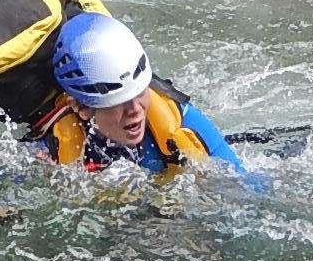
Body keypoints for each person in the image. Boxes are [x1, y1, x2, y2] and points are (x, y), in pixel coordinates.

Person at [35, 11, 261, 181]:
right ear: (80, 107)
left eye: (139, 92)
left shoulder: (184, 123)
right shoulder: (50, 144)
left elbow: (248, 189)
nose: (135, 109)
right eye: (119, 101)